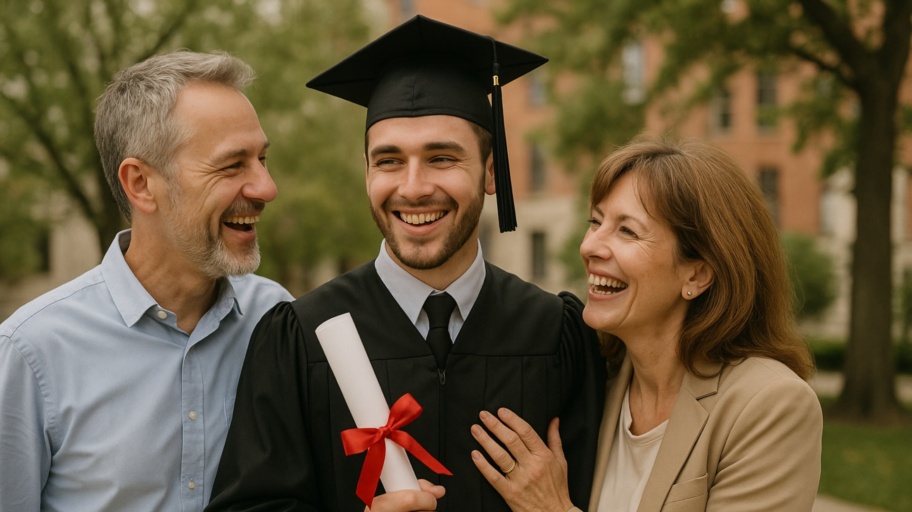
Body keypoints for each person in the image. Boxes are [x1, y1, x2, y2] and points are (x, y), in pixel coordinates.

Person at [206, 15, 606, 512]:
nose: (413, 188)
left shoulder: (555, 335)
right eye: (389, 161)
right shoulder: (299, 339)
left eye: (441, 158)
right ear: (367, 172)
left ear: (490, 172)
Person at [0, 50, 293, 511]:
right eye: (232, 165)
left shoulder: (276, 318)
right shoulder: (32, 353)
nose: (266, 188)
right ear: (140, 183)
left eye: (262, 158)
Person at [470, 135, 823, 512]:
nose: (589, 247)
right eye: (596, 222)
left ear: (697, 274)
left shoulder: (769, 405)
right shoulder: (595, 380)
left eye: (627, 231)